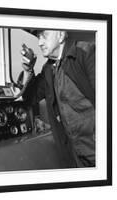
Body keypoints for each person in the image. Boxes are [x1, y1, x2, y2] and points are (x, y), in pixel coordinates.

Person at [20, 30, 95, 168]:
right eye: (38, 37)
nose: (40, 42)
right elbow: (29, 98)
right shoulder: (48, 69)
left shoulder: (87, 53)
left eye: (44, 35)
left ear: (60, 35)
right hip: (74, 156)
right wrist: (28, 70)